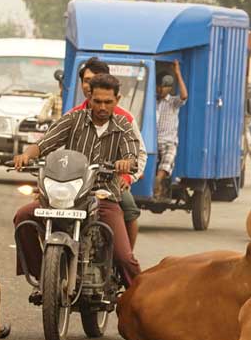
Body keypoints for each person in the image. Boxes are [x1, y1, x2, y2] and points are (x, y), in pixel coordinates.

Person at [12, 73, 142, 295]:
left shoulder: (123, 126)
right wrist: (26, 155)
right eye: (97, 101)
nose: (102, 106)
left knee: (124, 256)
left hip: (103, 197)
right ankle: (43, 275)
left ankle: (141, 297)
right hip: (65, 195)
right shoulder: (74, 120)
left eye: (108, 102)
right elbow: (43, 144)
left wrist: (125, 163)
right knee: (23, 217)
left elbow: (132, 156)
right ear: (89, 98)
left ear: (117, 100)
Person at [70, 57, 145, 248]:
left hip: (110, 185)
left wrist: (126, 178)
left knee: (129, 210)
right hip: (75, 184)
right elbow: (54, 150)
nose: (90, 85)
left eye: (95, 80)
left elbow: (140, 154)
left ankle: (125, 264)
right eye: (87, 81)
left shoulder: (125, 118)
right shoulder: (72, 117)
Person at [155, 63, 188, 198]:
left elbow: (184, 96)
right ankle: (155, 186)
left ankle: (157, 181)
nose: (161, 89)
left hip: (169, 141)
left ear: (169, 88)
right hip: (153, 142)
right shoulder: (152, 101)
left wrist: (178, 73)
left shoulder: (173, 102)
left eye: (165, 87)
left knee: (167, 162)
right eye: (159, 86)